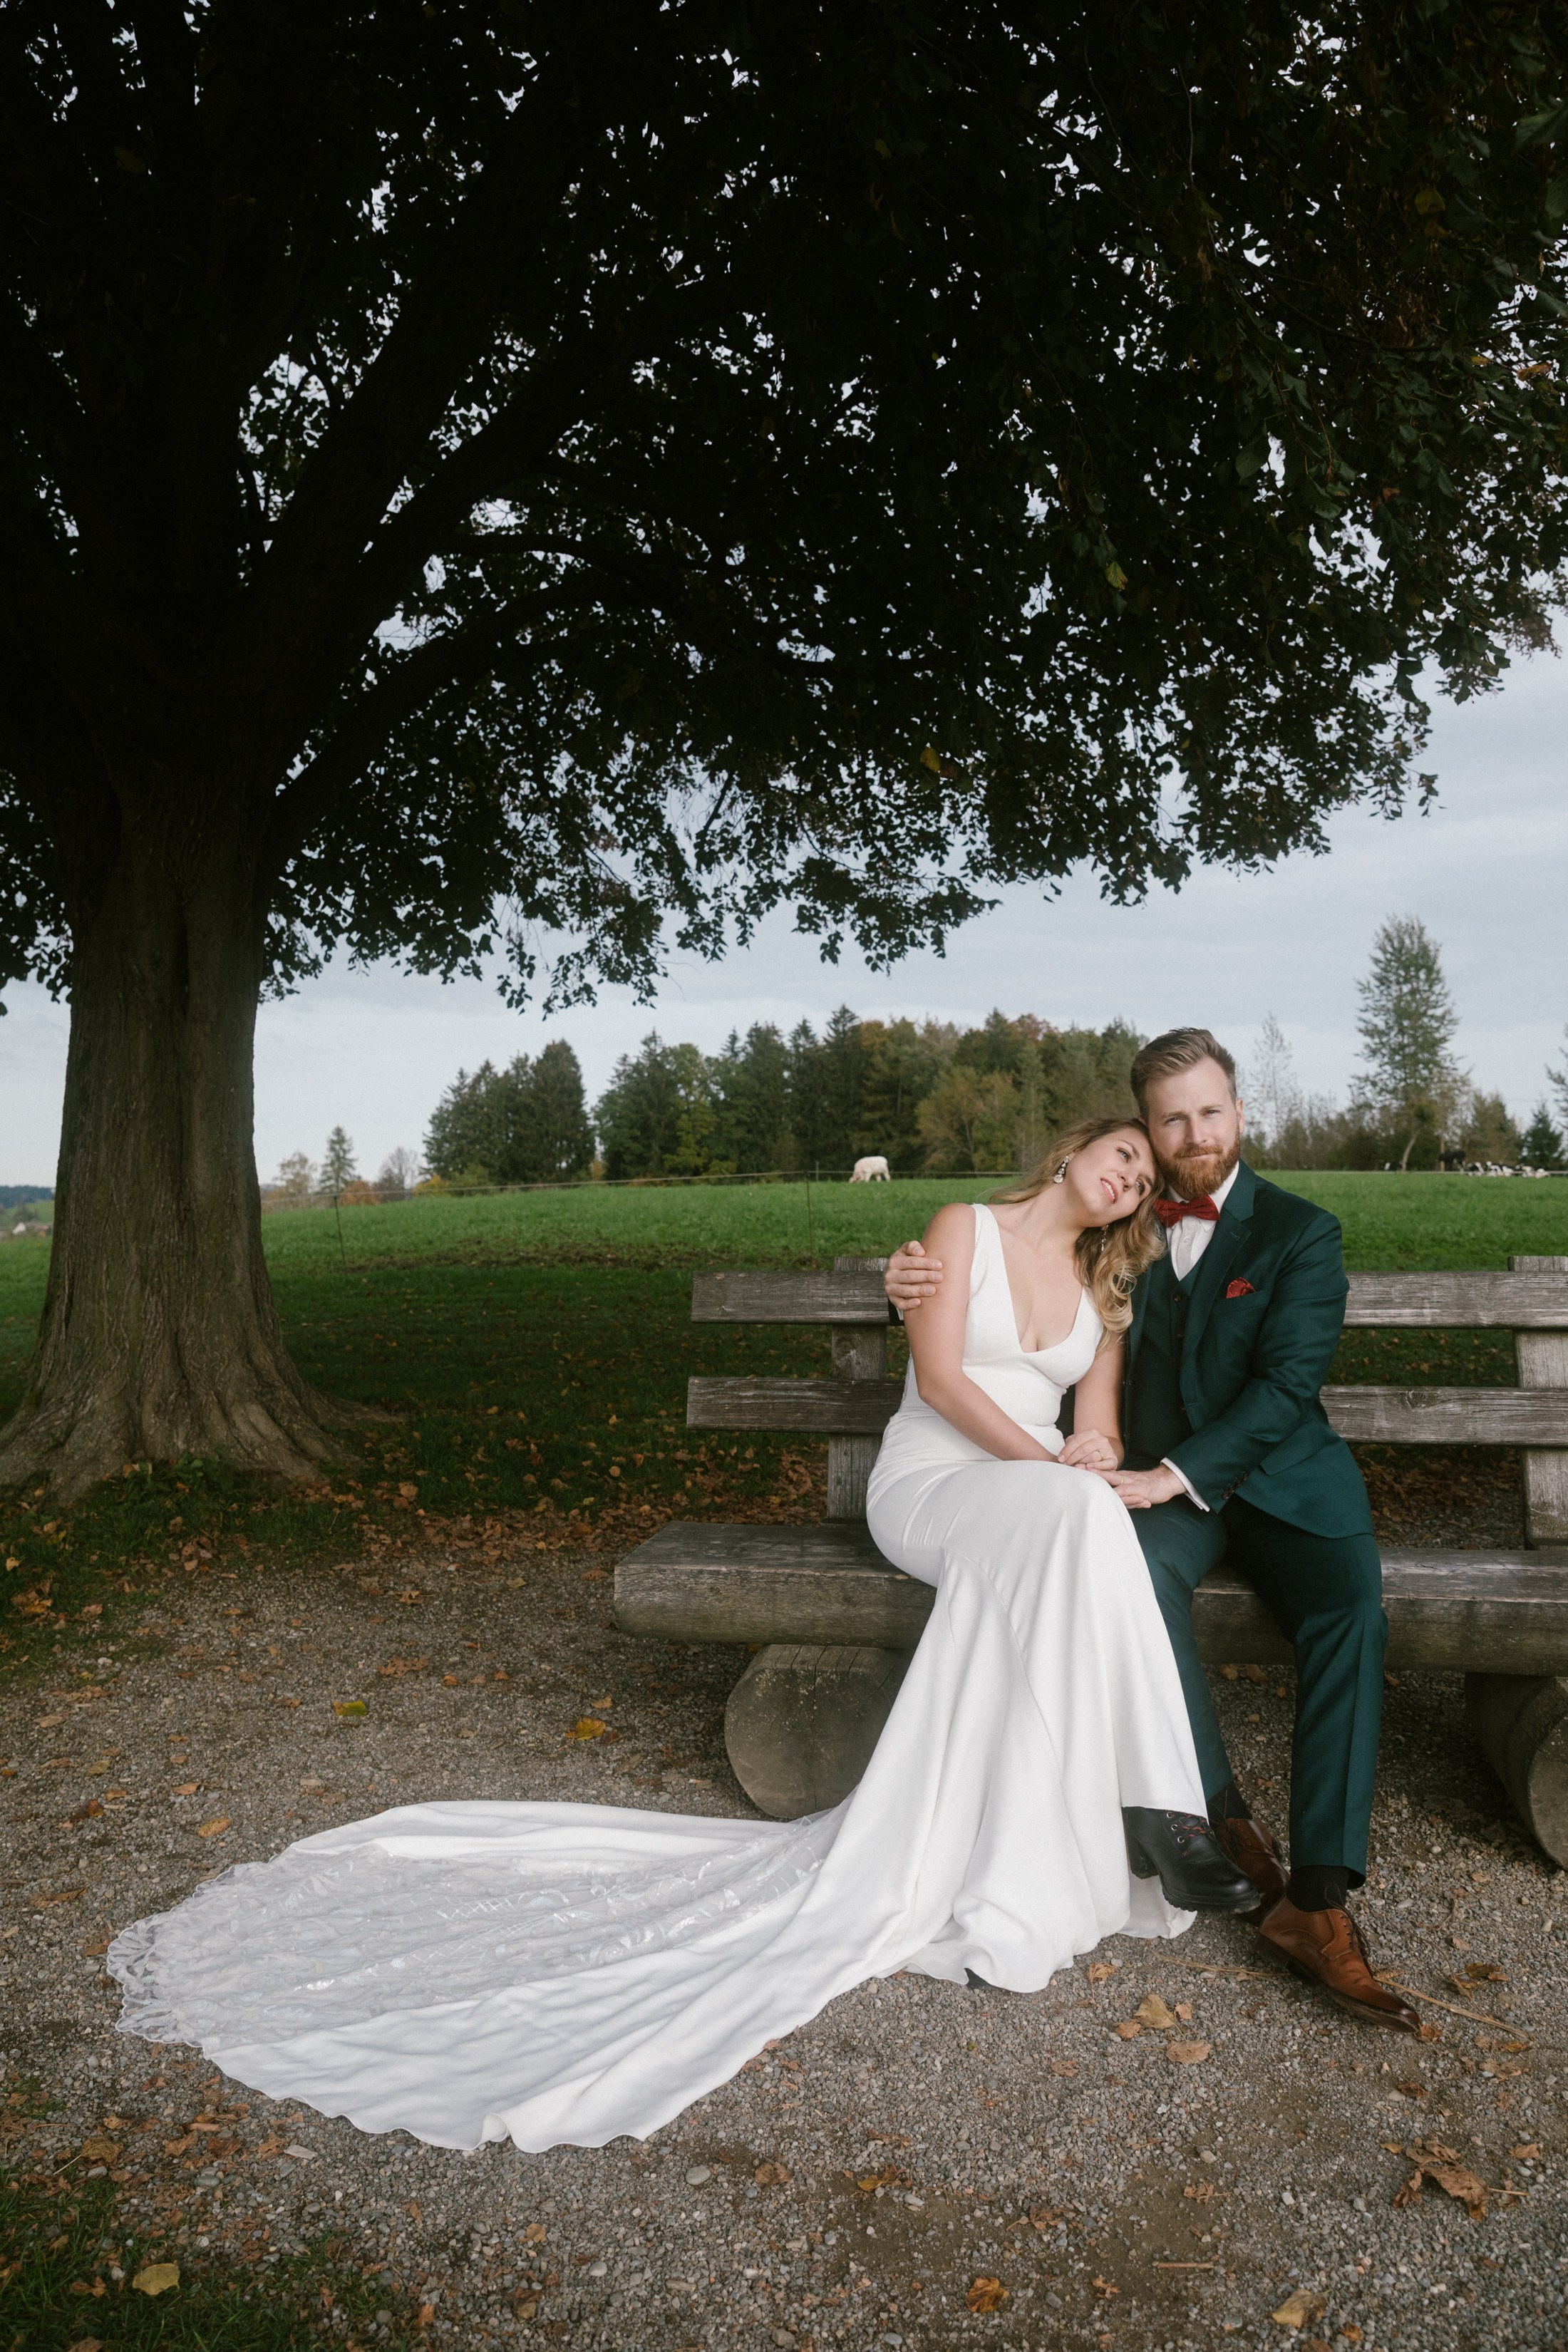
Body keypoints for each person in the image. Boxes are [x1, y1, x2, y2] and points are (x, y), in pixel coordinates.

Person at [105, 1117, 1244, 2154]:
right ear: (1071, 1151)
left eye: (1143, 1180)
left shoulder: (1106, 1293)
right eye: (1121, 1155)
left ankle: (1145, 1818)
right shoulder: (962, 1229)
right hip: (940, 1484)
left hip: (1040, 1502)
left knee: (1085, 1513)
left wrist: (1087, 1458)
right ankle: (1167, 1809)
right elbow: (942, 1383)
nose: (1128, 1177)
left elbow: (1094, 1434)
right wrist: (1057, 1472)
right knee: (1074, 1514)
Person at [884, 1027, 1420, 2036]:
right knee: (1134, 1576)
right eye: (1169, 1121)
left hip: (1281, 1484)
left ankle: (1318, 1895)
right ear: (1142, 1135)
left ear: (1239, 1115)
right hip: (1154, 1500)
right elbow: (992, 1299)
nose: (1192, 1133)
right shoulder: (1119, 1246)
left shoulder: (1304, 1232)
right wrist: (903, 1276)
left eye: (1209, 1112)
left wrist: (1162, 1473)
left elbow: (1286, 1387)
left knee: (1351, 1609)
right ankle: (1214, 1816)